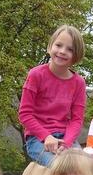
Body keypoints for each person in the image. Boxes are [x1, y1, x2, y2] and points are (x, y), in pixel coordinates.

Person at [18, 25, 86, 166]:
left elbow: (76, 120)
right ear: (50, 46)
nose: (62, 51)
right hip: (38, 138)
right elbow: (25, 114)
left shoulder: (78, 83)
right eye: (59, 45)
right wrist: (46, 136)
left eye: (70, 49)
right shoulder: (36, 75)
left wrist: (66, 143)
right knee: (60, 166)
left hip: (65, 138)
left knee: (86, 167)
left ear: (76, 55)